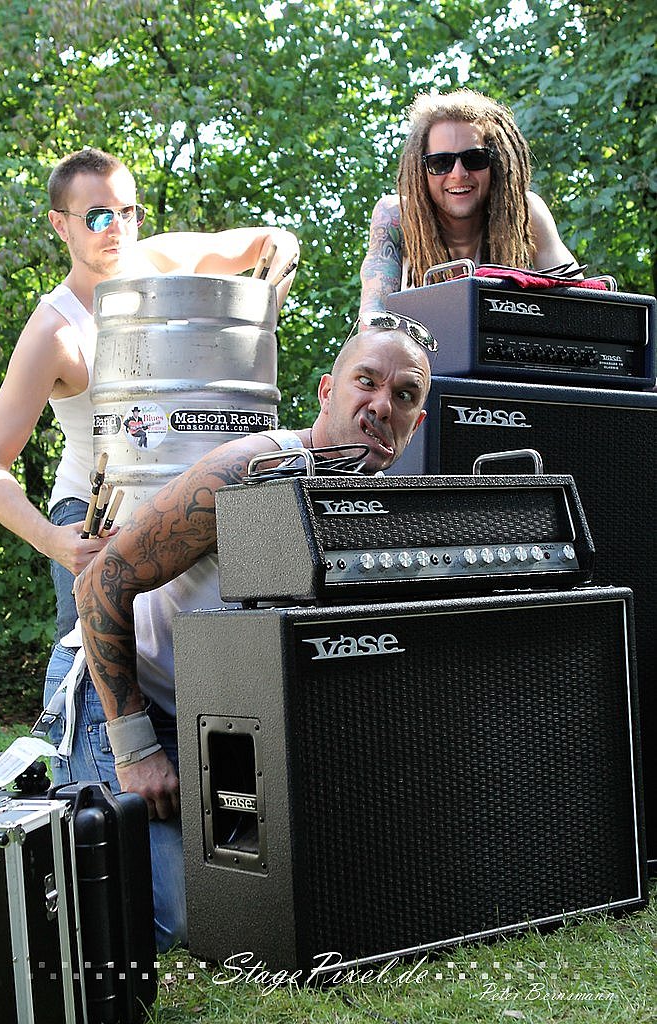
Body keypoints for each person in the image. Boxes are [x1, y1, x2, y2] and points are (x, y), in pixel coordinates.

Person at [72, 323, 432, 948]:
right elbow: (99, 583)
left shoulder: (386, 512)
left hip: (234, 732)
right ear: (326, 391)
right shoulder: (247, 471)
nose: (380, 405)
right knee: (182, 918)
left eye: (403, 395)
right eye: (365, 383)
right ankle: (68, 795)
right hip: (132, 700)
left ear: (416, 423)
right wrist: (134, 749)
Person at [0, 147, 299, 647]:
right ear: (61, 225)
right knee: (89, 657)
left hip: (183, 497)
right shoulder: (55, 332)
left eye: (128, 213)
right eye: (98, 216)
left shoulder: (157, 259)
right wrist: (54, 541)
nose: (118, 230)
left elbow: (267, 243)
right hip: (96, 512)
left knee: (214, 642)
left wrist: (272, 280)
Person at [359, 88, 580, 318]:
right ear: (420, 171)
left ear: (494, 163)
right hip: (417, 351)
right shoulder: (396, 215)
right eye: (440, 162)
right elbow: (373, 317)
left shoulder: (526, 212)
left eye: (474, 159)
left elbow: (580, 301)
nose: (458, 173)